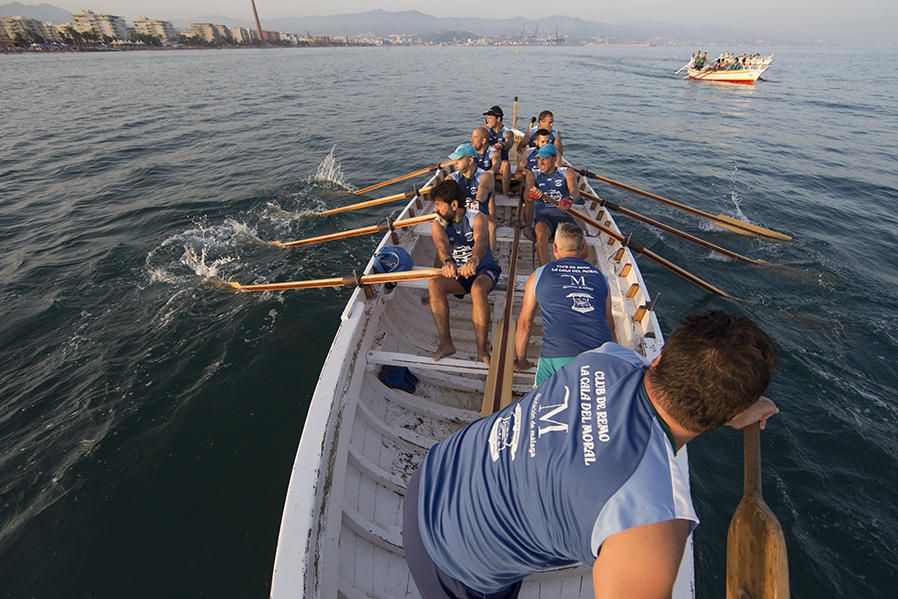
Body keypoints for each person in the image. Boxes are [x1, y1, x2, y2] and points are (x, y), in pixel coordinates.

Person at [402, 310, 780, 599]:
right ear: (728, 415)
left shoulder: (608, 359)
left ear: (661, 359)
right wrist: (729, 409)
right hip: (448, 558)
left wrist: (730, 408)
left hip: (436, 469)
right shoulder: (651, 516)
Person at [515, 223, 616, 385]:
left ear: (555, 247)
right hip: (600, 356)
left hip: (557, 356)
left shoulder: (539, 275)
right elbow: (609, 325)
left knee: (543, 405)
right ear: (583, 248)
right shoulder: (601, 278)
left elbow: (524, 323)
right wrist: (614, 358)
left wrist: (521, 360)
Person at [427, 178, 501, 365]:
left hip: (484, 269)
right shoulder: (438, 223)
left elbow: (481, 241)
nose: (435, 210)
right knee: (434, 285)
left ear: (453, 205)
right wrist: (448, 262)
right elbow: (441, 246)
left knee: (477, 289)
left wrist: (474, 260)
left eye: (438, 205)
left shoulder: (476, 217)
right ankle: (446, 344)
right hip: (459, 273)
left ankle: (482, 351)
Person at [523, 143, 580, 265]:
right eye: (539, 158)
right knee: (541, 234)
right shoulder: (533, 175)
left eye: (545, 158)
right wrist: (531, 196)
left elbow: (575, 193)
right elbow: (527, 198)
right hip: (544, 217)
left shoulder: (567, 172)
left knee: (581, 248)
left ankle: (566, 266)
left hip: (564, 216)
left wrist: (569, 200)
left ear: (554, 159)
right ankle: (547, 269)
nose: (540, 162)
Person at [447, 142, 497, 250]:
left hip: (479, 215)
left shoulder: (485, 177)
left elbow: (478, 201)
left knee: (491, 225)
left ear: (470, 161)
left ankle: (490, 258)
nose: (455, 162)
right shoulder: (452, 178)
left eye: (459, 159)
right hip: (459, 215)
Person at [483, 105, 515, 198]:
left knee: (506, 164)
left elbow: (509, 142)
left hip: (500, 165)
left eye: (490, 118)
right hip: (487, 163)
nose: (488, 120)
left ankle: (505, 193)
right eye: (487, 118)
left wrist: (502, 145)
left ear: (498, 118)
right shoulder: (487, 131)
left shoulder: (507, 132)